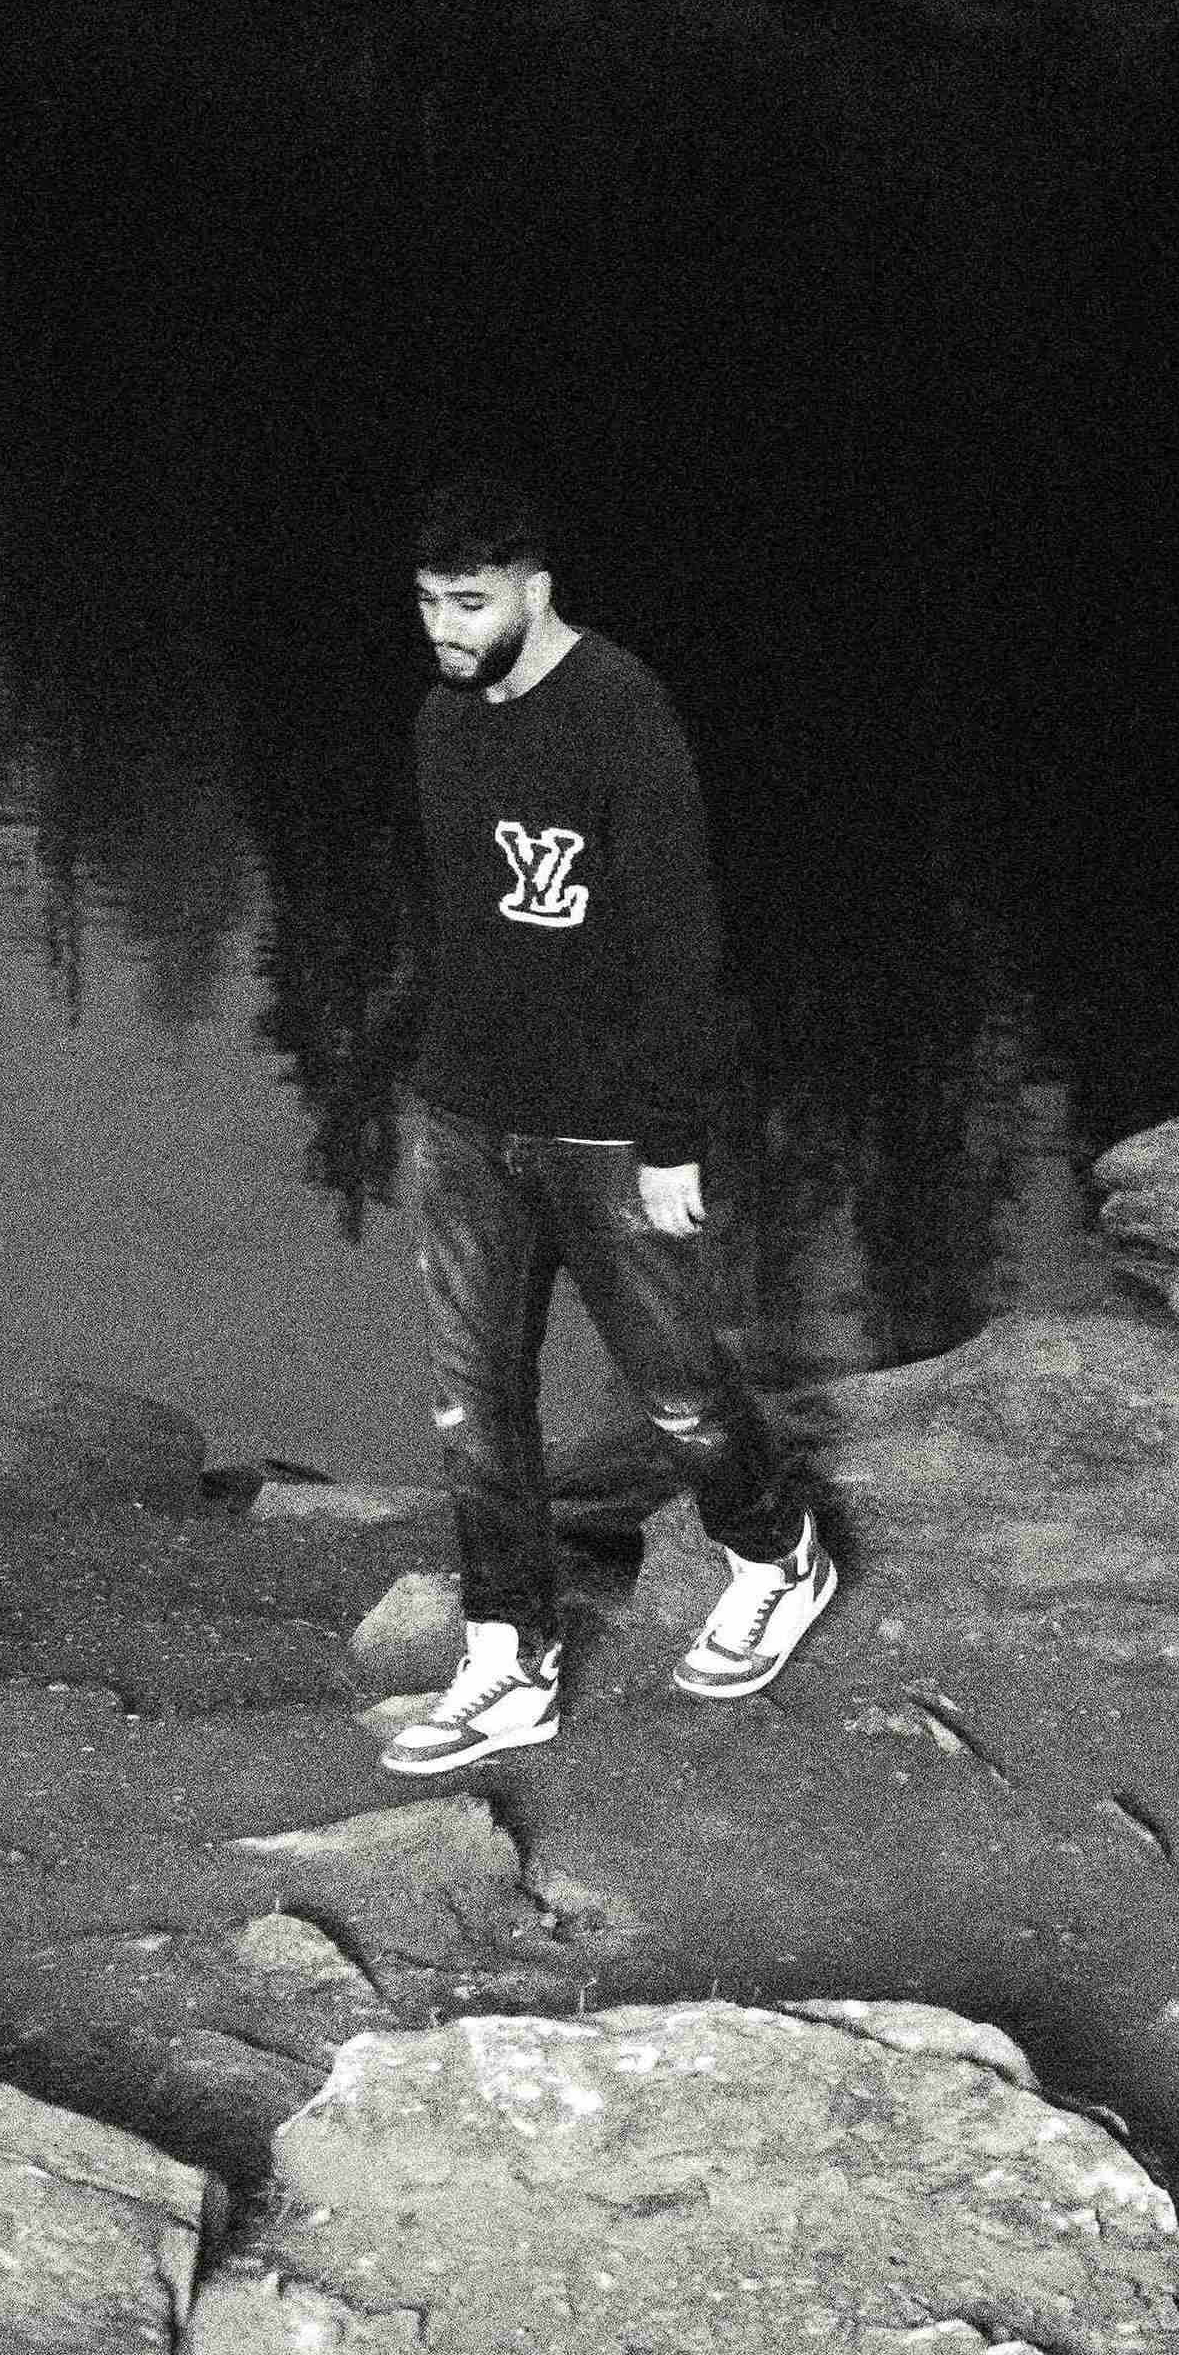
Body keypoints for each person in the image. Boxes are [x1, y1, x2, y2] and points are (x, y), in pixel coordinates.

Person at [379, 472, 836, 1778]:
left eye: (470, 604)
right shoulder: (443, 723)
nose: (445, 629)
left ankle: (775, 1554)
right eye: (429, 603)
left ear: (536, 590)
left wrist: (671, 1136)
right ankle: (507, 1658)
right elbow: (468, 925)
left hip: (601, 1125)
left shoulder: (620, 711)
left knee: (675, 1384)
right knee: (472, 1400)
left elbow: (677, 937)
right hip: (469, 1114)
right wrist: (437, 1087)